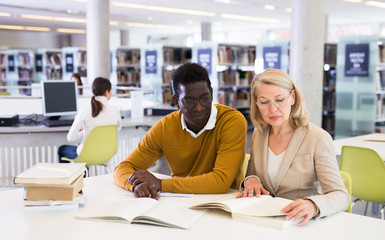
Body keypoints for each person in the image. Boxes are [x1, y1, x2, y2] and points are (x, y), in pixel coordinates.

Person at [113, 62, 247, 199]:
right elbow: (123, 168)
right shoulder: (166, 126)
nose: (199, 107)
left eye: (204, 98)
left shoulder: (231, 121)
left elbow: (221, 182)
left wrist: (160, 184)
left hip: (224, 202)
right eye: (189, 101)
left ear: (211, 94)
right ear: (176, 101)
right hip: (180, 201)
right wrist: (136, 186)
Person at [237, 69, 349, 226]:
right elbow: (253, 175)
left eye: (280, 99)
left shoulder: (317, 138)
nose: (273, 109)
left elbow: (341, 196)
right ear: (256, 103)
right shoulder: (259, 135)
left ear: (292, 97)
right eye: (264, 102)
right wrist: (251, 180)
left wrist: (313, 205)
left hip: (301, 223)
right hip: (263, 220)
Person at [58, 77, 122, 163]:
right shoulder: (115, 110)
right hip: (106, 153)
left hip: (86, 154)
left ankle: (78, 175)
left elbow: (70, 137)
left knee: (61, 149)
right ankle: (84, 174)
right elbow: (117, 128)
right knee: (83, 150)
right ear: (107, 92)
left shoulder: (85, 110)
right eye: (110, 91)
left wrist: (84, 132)